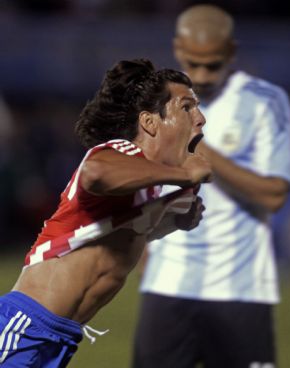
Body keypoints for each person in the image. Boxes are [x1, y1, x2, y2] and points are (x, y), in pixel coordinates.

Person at [0, 58, 212, 367]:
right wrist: (183, 174)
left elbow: (121, 236)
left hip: (59, 339)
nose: (200, 118)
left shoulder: (154, 187)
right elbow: (96, 173)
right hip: (25, 325)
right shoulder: (118, 153)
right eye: (186, 107)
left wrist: (175, 220)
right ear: (150, 122)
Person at [132, 5, 290, 368]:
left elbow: (275, 194)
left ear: (231, 52)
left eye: (213, 65)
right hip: (167, 283)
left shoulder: (264, 102)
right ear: (177, 48)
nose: (202, 75)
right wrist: (142, 245)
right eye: (194, 63)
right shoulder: (154, 104)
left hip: (240, 288)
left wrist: (199, 147)